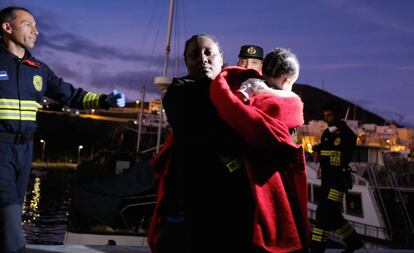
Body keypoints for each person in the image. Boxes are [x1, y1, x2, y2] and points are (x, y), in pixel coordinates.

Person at [149, 33, 308, 253]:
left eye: (208, 53)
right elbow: (213, 135)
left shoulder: (239, 87)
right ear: (186, 62)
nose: (202, 59)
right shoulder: (178, 93)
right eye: (194, 55)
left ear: (221, 57)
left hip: (239, 201)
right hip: (196, 197)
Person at [0, 6, 125, 252]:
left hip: (25, 150)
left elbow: (70, 95)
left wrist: (104, 100)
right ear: (7, 27)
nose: (36, 30)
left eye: (36, 25)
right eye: (28, 24)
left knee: (11, 206)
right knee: (8, 208)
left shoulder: (38, 69)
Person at [210, 48, 309, 251]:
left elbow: (233, 108)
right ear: (287, 79)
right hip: (273, 169)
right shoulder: (294, 100)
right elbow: (295, 119)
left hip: (243, 165)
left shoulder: (249, 85)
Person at [310, 101, 363, 253]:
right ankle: (354, 243)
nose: (326, 119)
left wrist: (323, 151)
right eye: (324, 116)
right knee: (333, 216)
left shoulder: (347, 135)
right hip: (326, 181)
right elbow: (327, 150)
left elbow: (341, 157)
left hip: (337, 182)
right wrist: (319, 148)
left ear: (338, 116)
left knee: (323, 214)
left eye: (329, 116)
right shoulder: (327, 134)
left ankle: (316, 249)